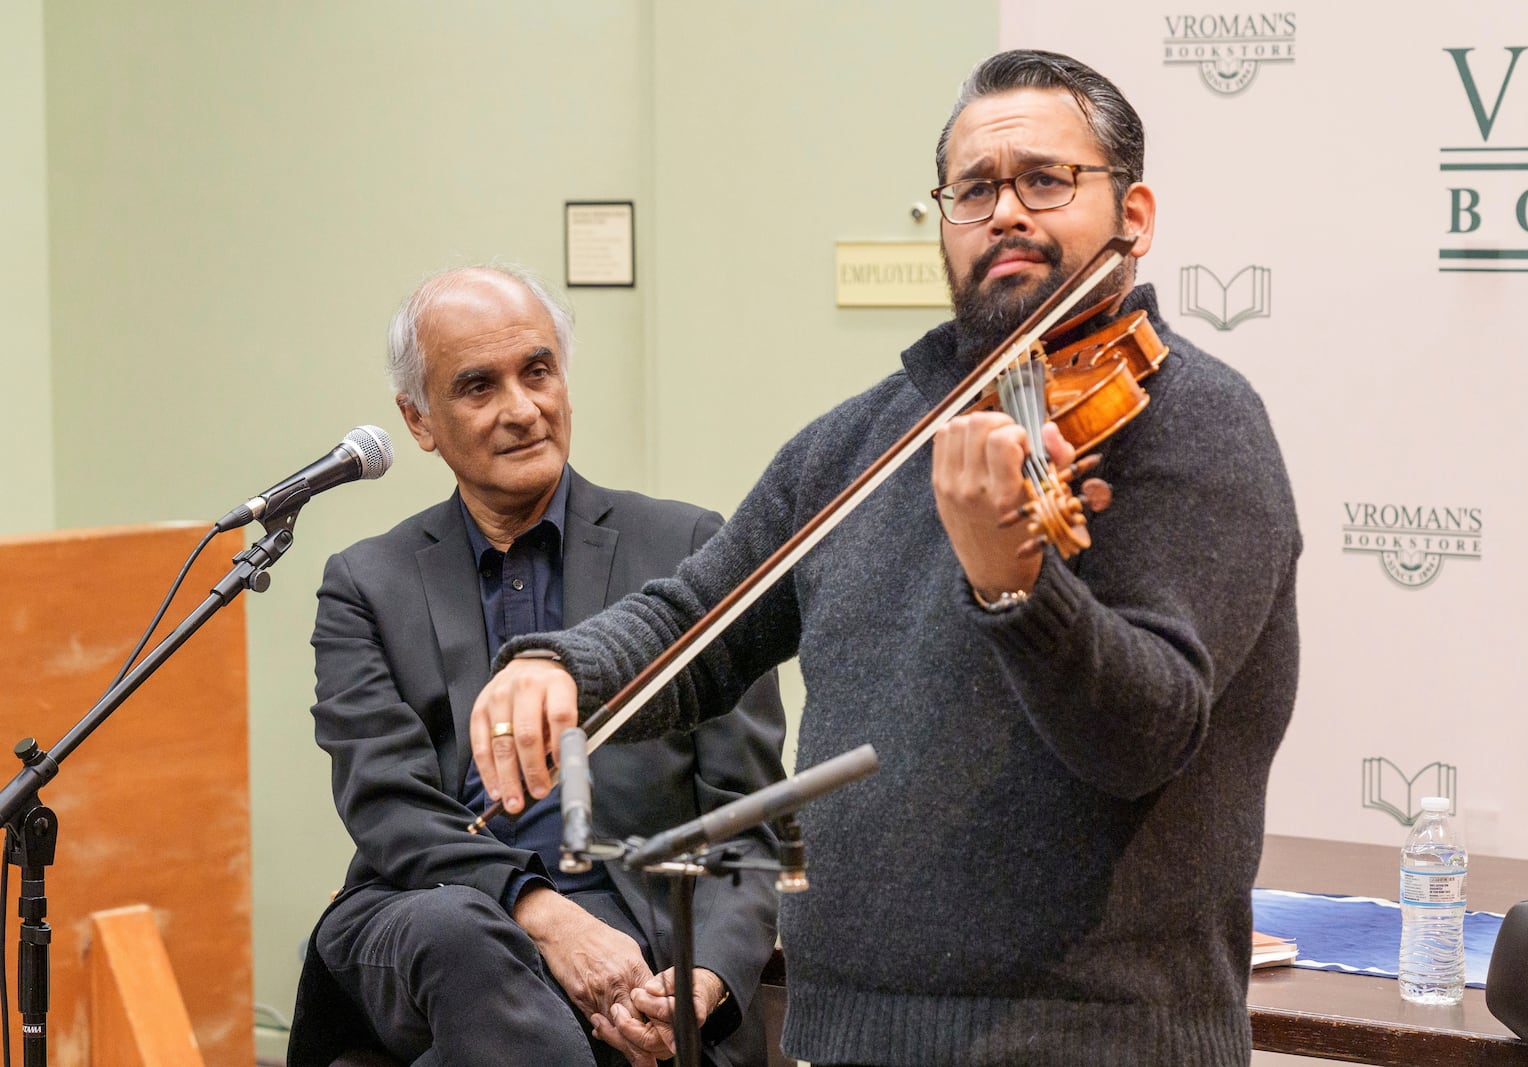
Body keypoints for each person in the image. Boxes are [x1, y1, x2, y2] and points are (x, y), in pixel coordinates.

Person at [471, 49, 1301, 1067]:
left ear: (1133, 214)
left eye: (1045, 180)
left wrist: (1017, 583)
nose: (1006, 212)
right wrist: (564, 664)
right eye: (975, 189)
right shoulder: (861, 438)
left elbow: (1143, 736)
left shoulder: (1194, 423)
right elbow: (700, 615)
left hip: (1089, 1039)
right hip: (847, 1030)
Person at [285, 265, 786, 1067]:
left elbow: (746, 815)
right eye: (478, 386)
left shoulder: (686, 551)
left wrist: (706, 979)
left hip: (639, 924)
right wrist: (543, 910)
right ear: (418, 420)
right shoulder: (366, 584)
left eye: (538, 371)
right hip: (433, 911)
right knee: (463, 935)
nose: (522, 409)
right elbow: (389, 808)